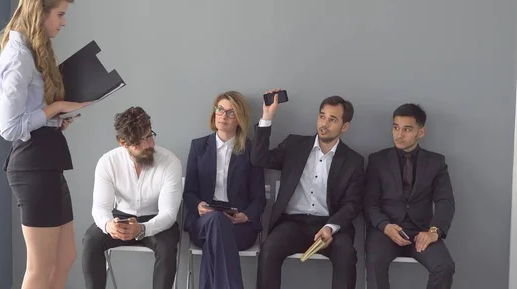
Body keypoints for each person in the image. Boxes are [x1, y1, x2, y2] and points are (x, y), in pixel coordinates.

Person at [0, 0, 89, 289]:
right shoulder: (18, 56)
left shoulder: (32, 51)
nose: (63, 23)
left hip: (47, 159)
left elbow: (29, 114)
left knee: (66, 257)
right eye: (60, 14)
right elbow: (10, 127)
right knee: (40, 266)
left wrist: (55, 119)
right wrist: (54, 107)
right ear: (40, 11)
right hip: (32, 166)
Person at [252, 89, 364, 289]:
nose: (324, 124)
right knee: (269, 248)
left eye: (332, 120)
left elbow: (352, 204)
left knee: (346, 255)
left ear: (344, 126)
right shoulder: (294, 145)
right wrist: (267, 117)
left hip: (331, 226)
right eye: (322, 117)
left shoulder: (354, 161)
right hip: (292, 223)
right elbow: (259, 159)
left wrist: (331, 227)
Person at [82, 107, 183, 289]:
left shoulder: (170, 162)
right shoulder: (107, 162)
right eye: (138, 142)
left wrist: (142, 229)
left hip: (158, 220)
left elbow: (168, 214)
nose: (147, 145)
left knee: (167, 248)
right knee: (90, 240)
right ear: (123, 142)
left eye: (149, 136)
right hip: (121, 217)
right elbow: (100, 207)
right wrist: (108, 225)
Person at [364, 103, 455, 289]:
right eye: (396, 127)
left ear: (420, 132)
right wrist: (385, 226)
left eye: (407, 129)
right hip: (386, 230)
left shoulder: (436, 162)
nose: (399, 134)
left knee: (444, 266)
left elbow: (445, 201)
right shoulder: (377, 160)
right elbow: (368, 203)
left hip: (421, 231)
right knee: (374, 263)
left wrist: (434, 232)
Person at [183, 91, 266, 289]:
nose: (223, 116)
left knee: (217, 236)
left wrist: (245, 216)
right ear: (214, 113)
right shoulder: (198, 147)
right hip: (204, 222)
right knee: (215, 221)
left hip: (240, 227)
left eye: (231, 112)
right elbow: (189, 192)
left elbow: (259, 197)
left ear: (240, 118)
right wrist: (200, 206)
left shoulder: (250, 150)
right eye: (220, 109)